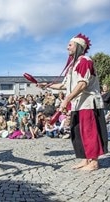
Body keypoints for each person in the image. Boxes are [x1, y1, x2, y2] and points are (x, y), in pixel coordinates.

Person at [38, 33, 108, 171]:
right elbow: (64, 85)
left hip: (88, 102)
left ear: (78, 47)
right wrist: (47, 85)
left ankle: (93, 161)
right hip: (78, 104)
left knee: (89, 132)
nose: (67, 48)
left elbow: (82, 84)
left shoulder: (85, 61)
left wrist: (66, 99)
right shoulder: (73, 66)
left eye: (70, 45)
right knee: (78, 132)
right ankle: (85, 159)